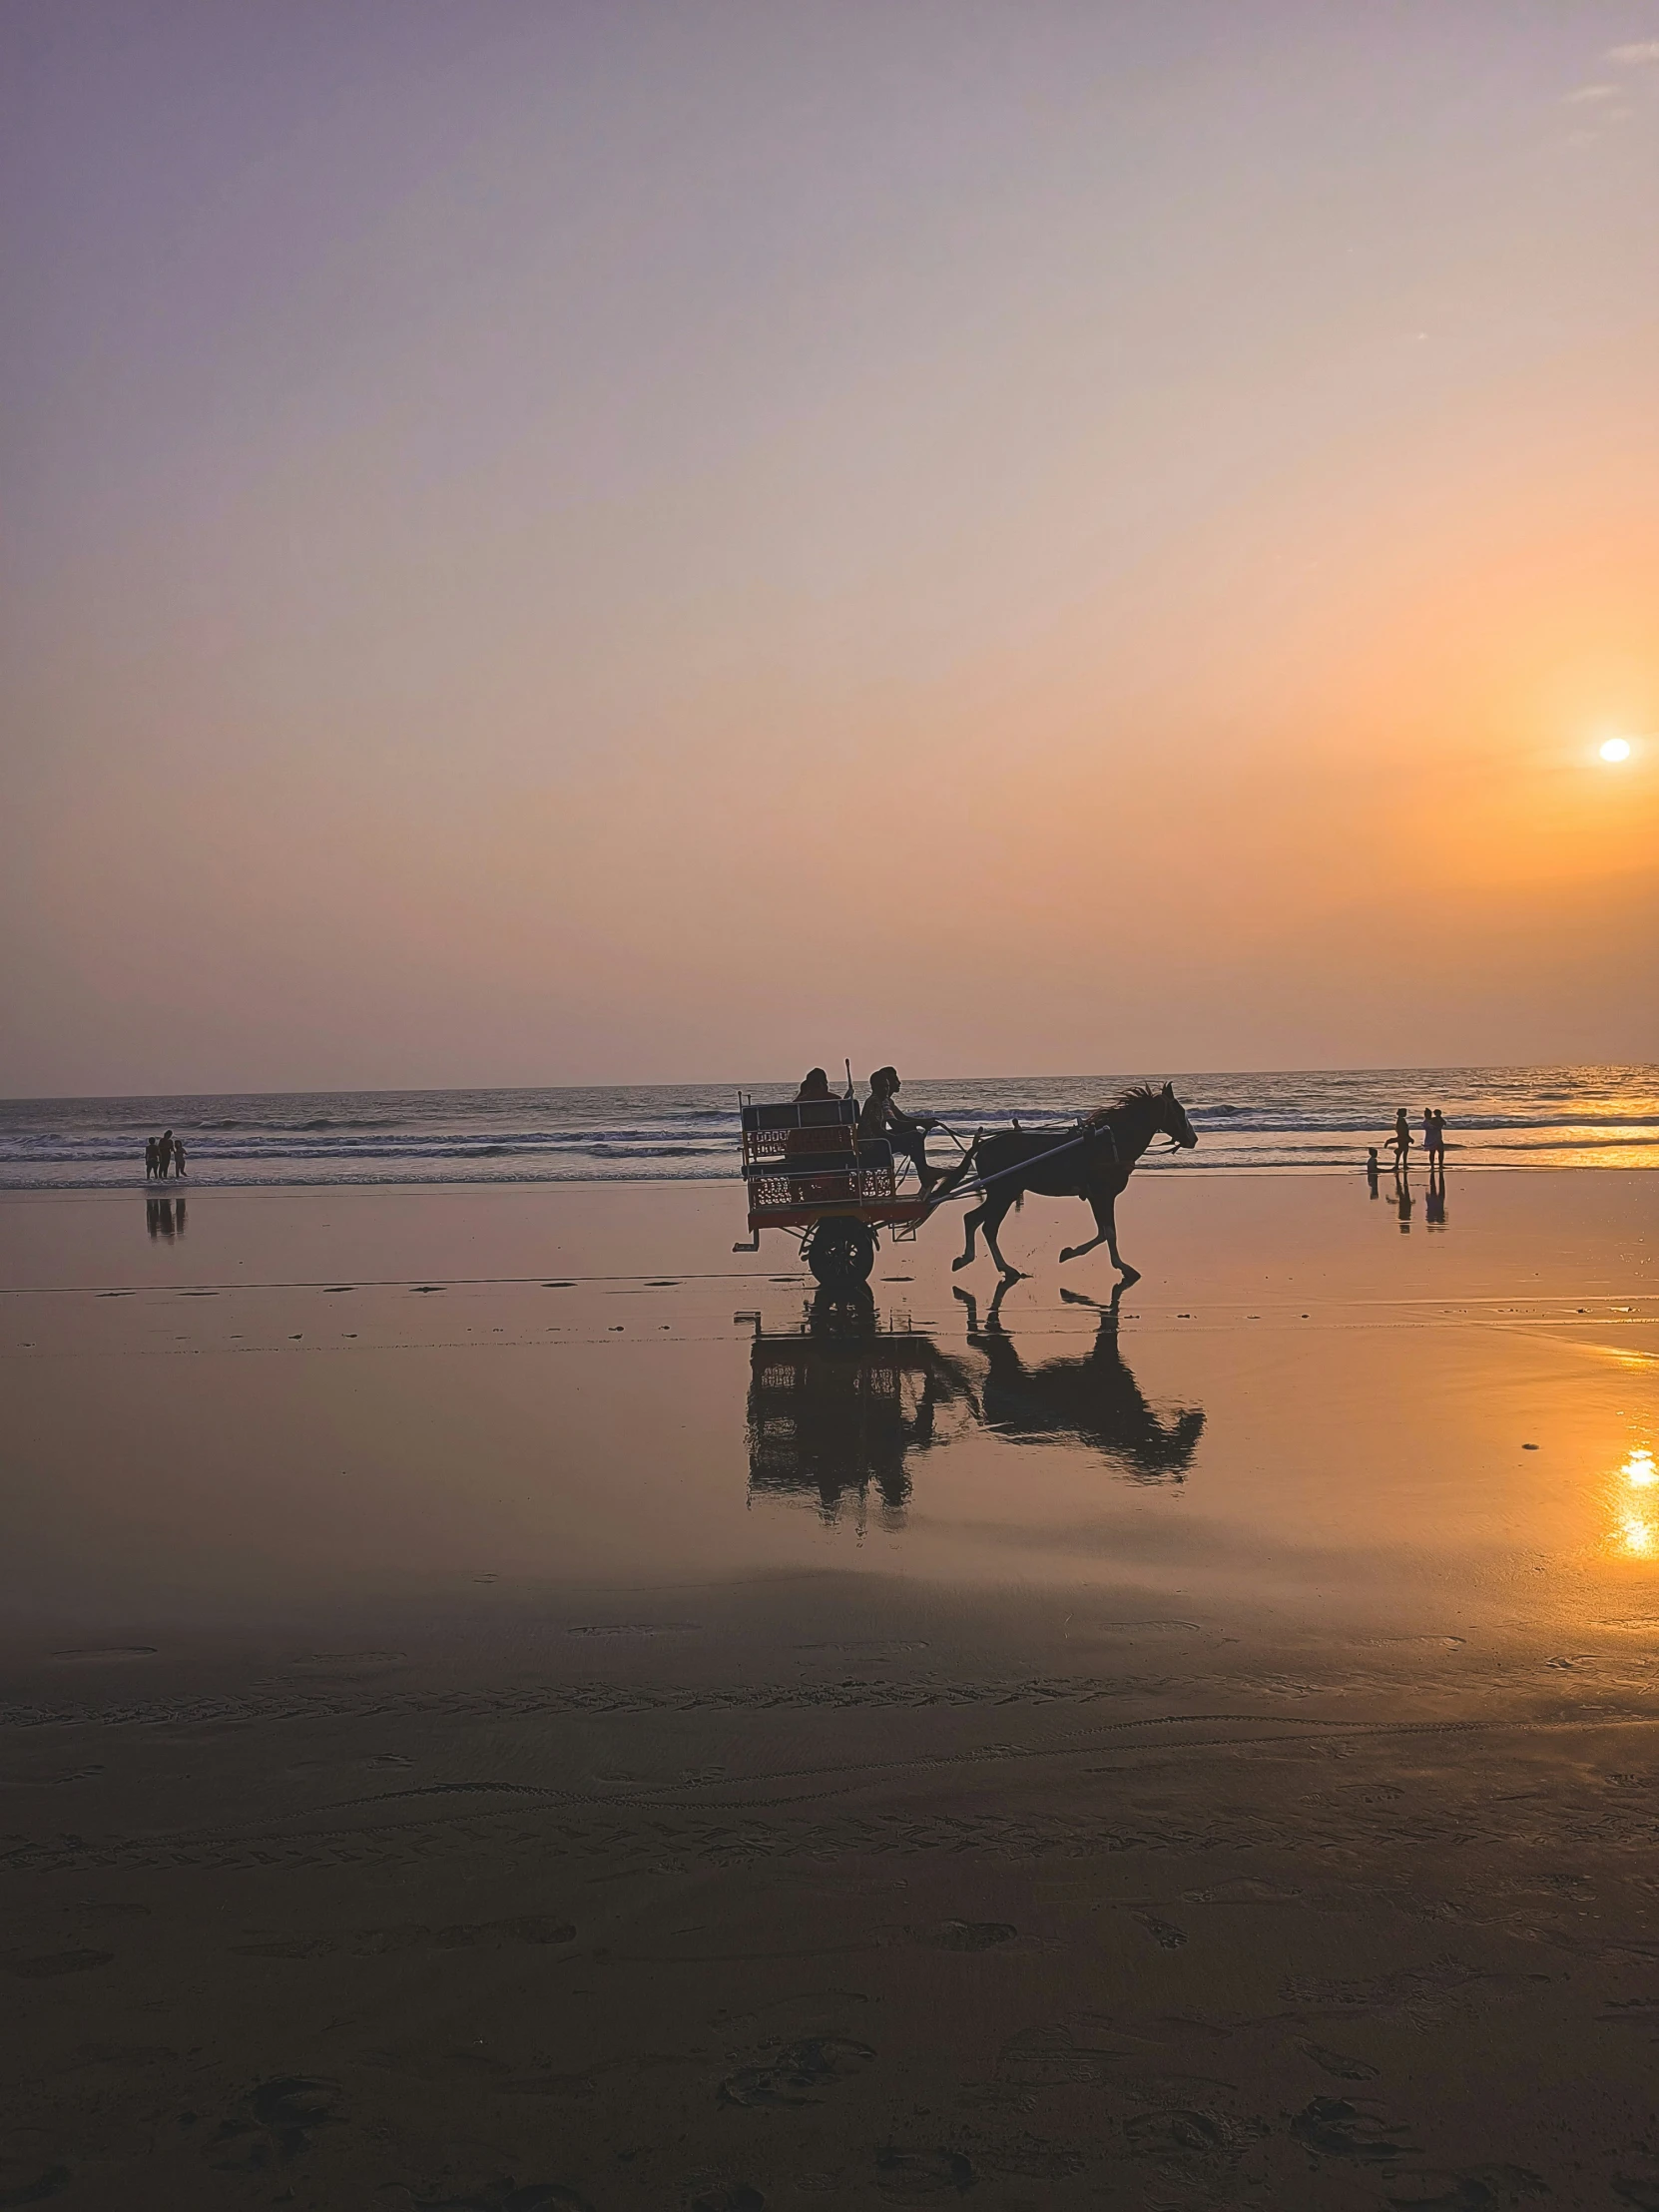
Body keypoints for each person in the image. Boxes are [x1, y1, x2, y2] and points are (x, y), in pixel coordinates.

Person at [858, 1066, 939, 1197]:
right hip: (873, 1145)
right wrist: (895, 1139)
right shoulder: (875, 1102)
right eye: (883, 1086)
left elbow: (903, 1119)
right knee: (913, 1136)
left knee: (912, 1134)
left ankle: (924, 1171)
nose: (886, 1089)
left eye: (886, 1086)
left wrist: (922, 1122)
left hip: (878, 1141)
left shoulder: (883, 1100)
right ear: (874, 1087)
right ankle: (924, 1174)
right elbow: (879, 1129)